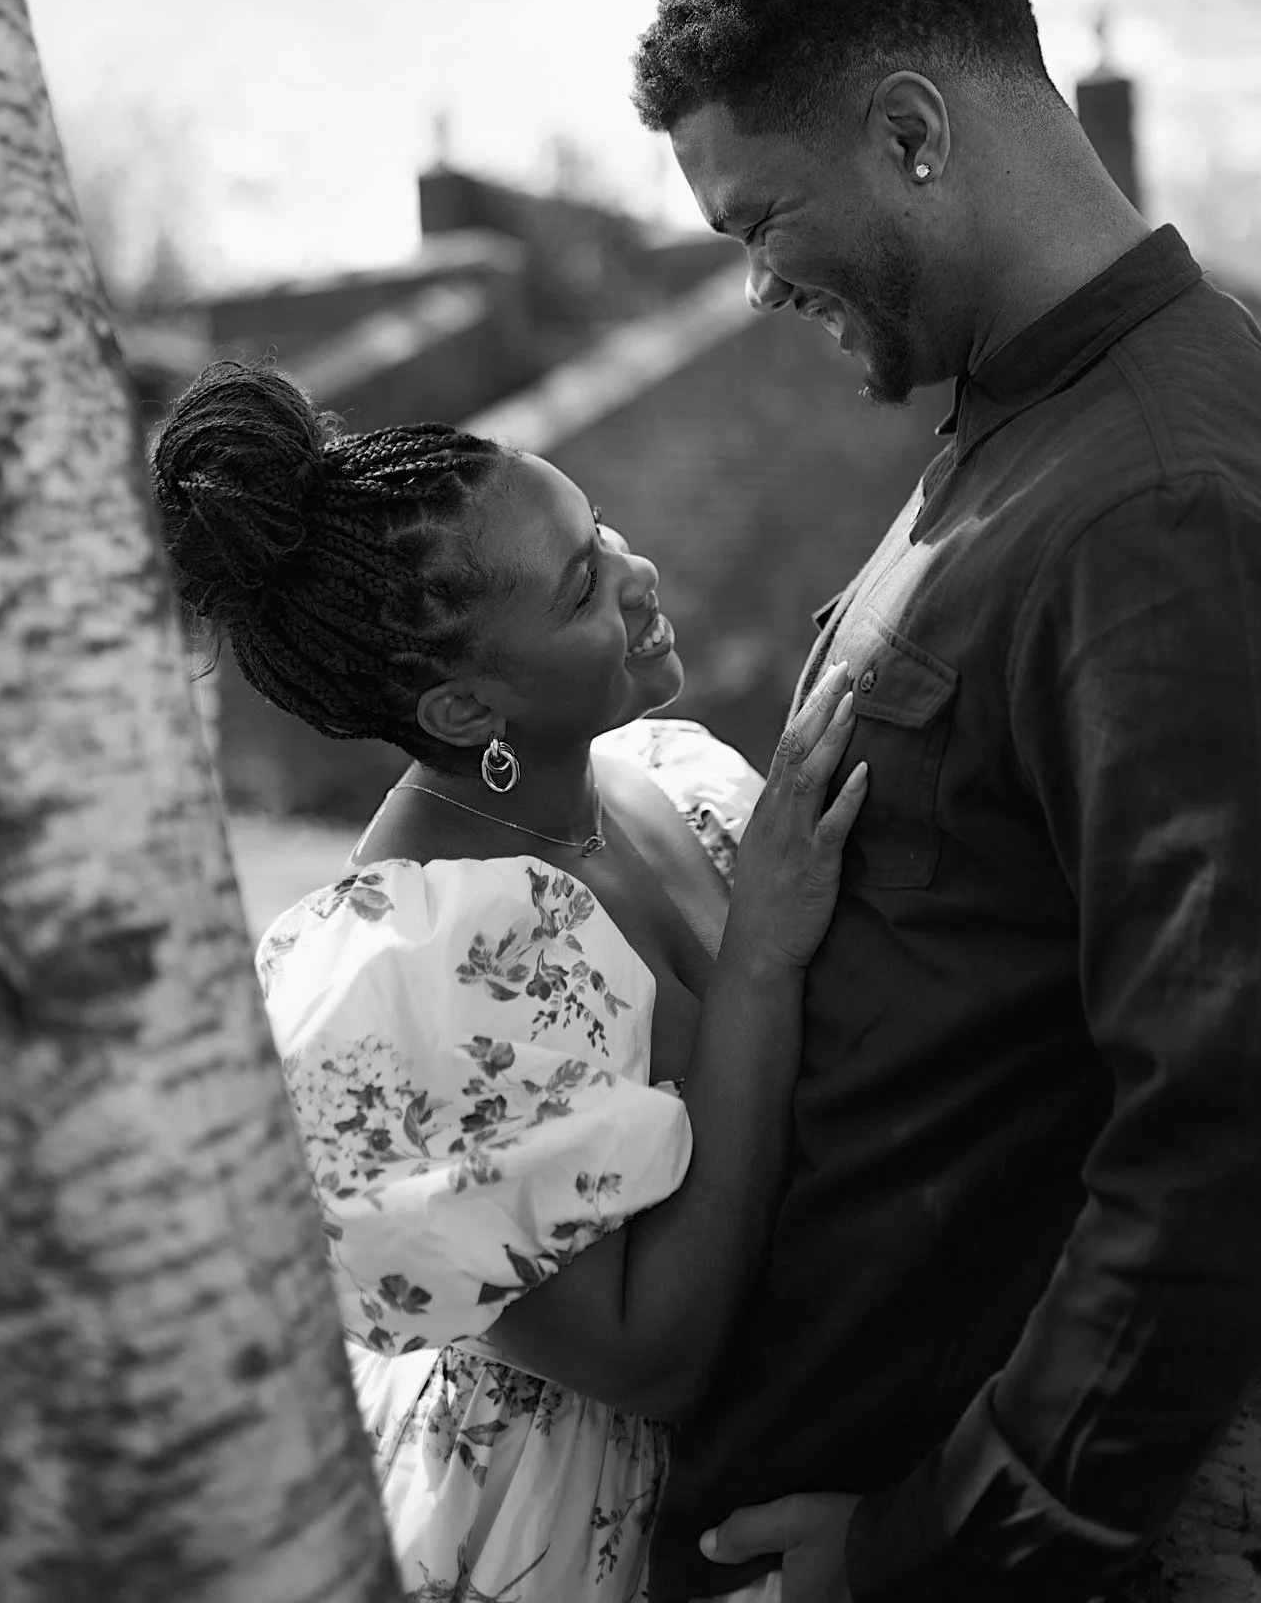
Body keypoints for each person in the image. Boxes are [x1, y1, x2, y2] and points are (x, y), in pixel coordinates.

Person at [630, 0, 1261, 1603]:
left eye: (761, 222)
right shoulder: (1021, 422)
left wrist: (927, 1547)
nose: (754, 286)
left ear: (912, 133)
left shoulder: (1161, 507)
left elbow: (1242, 1155)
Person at [150, 362, 869, 1603]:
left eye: (603, 535)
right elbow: (651, 1360)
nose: (635, 577)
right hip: (561, 1525)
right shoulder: (415, 968)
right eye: (584, 585)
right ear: (463, 701)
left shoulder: (656, 779)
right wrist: (759, 958)